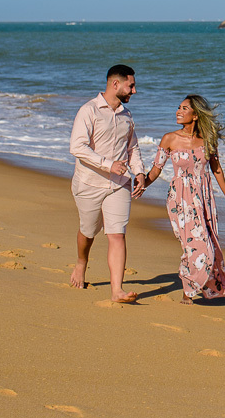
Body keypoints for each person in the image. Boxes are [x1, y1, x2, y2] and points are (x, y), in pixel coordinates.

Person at [139, 94, 225, 304]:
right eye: (179, 107)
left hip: (204, 197)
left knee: (210, 244)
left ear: (195, 115)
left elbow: (216, 169)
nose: (178, 111)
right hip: (180, 199)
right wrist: (142, 185)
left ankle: (190, 290)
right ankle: (191, 286)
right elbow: (156, 170)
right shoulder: (169, 139)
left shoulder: (207, 139)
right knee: (197, 246)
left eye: (184, 109)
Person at [69, 64, 146, 302]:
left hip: (118, 184)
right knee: (88, 231)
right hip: (89, 183)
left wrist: (139, 172)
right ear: (116, 84)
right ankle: (82, 263)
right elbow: (77, 147)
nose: (134, 91)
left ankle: (117, 291)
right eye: (130, 85)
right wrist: (107, 163)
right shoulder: (89, 110)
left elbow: (132, 147)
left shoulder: (126, 115)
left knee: (117, 234)